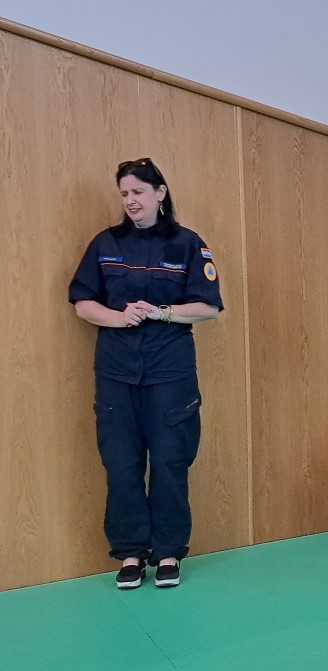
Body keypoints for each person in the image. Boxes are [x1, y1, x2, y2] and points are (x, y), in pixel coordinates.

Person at [69, 158, 223, 590]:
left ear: (160, 193)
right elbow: (83, 303)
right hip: (116, 372)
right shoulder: (105, 243)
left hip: (170, 373)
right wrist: (118, 318)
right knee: (121, 465)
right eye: (124, 193)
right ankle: (131, 553)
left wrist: (162, 312)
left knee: (171, 463)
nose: (130, 200)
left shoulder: (187, 244)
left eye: (138, 191)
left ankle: (169, 551)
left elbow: (208, 307)